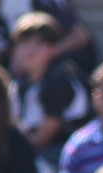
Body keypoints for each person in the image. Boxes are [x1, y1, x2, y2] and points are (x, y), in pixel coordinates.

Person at [11, 12, 91, 161]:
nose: (31, 49)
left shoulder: (59, 78)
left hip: (67, 154)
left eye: (40, 43)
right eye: (25, 42)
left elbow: (44, 138)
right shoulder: (20, 83)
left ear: (54, 49)